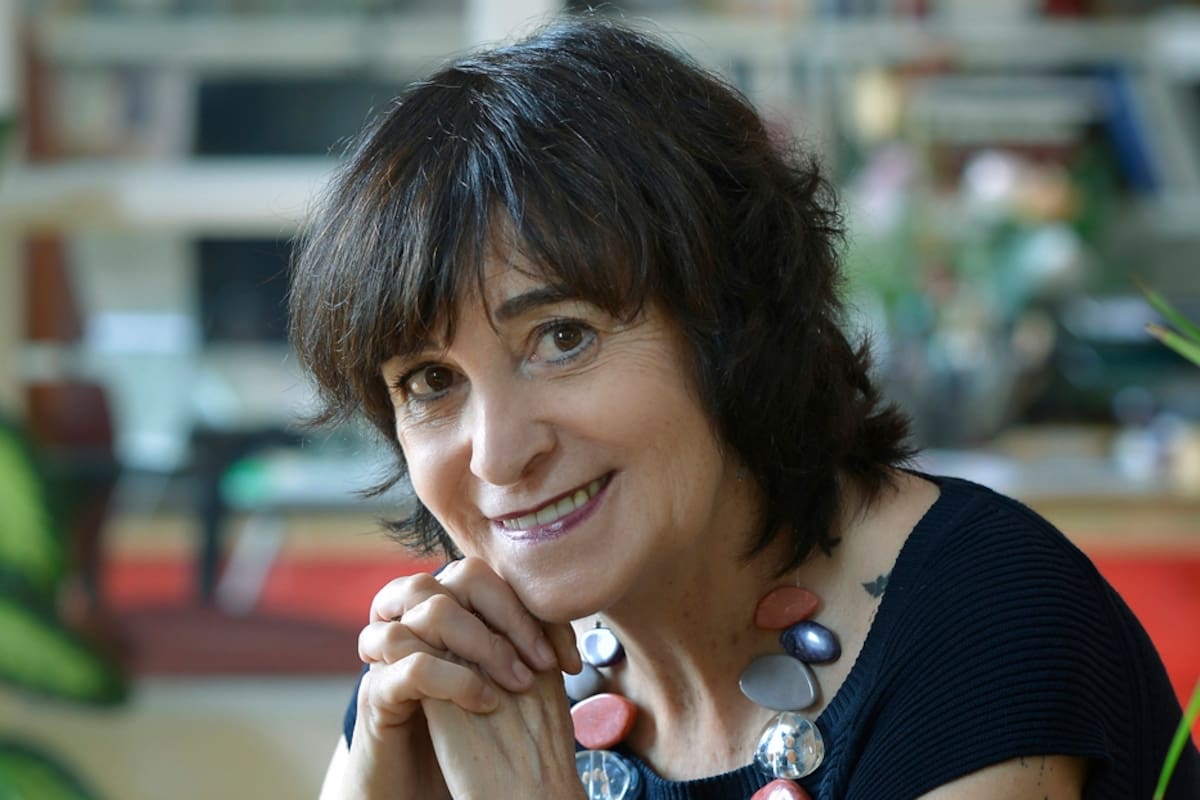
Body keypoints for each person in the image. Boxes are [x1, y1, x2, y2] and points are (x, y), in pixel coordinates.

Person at [288, 15, 1199, 800]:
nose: (495, 454)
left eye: (562, 337)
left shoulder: (984, 621)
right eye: (430, 382)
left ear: (727, 324)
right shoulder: (460, 661)